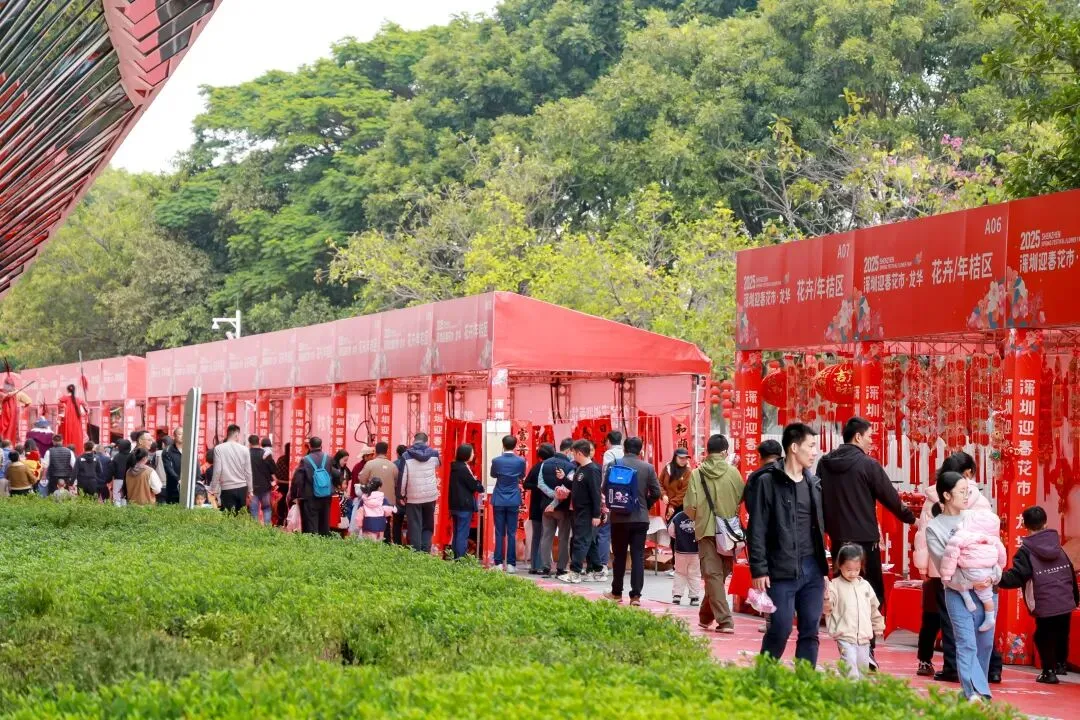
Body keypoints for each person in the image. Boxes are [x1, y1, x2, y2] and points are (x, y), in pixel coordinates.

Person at [818, 416, 915, 668]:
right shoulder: (867, 465)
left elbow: (818, 499)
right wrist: (911, 518)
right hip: (865, 541)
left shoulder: (824, 464)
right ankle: (867, 648)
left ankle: (847, 648)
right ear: (858, 436)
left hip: (839, 540)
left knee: (842, 593)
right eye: (870, 436)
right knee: (869, 593)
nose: (872, 441)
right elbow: (890, 497)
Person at [914, 452, 1003, 684]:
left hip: (946, 570)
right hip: (976, 570)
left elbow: (923, 534)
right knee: (980, 620)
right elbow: (992, 535)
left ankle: (956, 667)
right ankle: (990, 670)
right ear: (968, 472)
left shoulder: (934, 497)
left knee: (954, 621)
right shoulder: (980, 500)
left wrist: (922, 566)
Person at [746, 422, 829, 665]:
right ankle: (763, 677)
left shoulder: (813, 483)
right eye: (810, 446)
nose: (814, 452)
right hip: (781, 569)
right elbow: (757, 528)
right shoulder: (767, 482)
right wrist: (759, 569)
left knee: (810, 630)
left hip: (812, 568)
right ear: (794, 447)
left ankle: (804, 682)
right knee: (780, 628)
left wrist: (825, 569)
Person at [924, 471, 995, 703]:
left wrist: (993, 575)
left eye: (968, 491)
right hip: (957, 592)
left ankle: (976, 691)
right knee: (966, 643)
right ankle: (975, 692)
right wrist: (971, 581)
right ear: (946, 495)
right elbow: (944, 567)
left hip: (986, 590)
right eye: (962, 492)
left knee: (985, 644)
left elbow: (993, 547)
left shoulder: (975, 517)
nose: (967, 496)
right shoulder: (934, 528)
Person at [997, 505, 1079, 684]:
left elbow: (1017, 576)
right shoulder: (1058, 546)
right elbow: (1069, 570)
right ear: (1046, 523)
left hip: (1044, 600)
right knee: (1061, 632)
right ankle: (1060, 665)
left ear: (1025, 525)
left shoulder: (1026, 551)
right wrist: (1074, 597)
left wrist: (996, 578)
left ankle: (1049, 672)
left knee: (1043, 636)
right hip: (1065, 598)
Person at [684, 434, 745, 633]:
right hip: (728, 531)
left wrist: (701, 517)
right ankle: (719, 619)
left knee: (713, 576)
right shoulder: (734, 473)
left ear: (708, 451)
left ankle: (713, 618)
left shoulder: (696, 473)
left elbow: (690, 506)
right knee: (717, 576)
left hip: (706, 530)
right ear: (725, 451)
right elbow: (741, 497)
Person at [601, 436, 662, 605]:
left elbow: (605, 489)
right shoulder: (648, 467)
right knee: (638, 556)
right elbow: (656, 492)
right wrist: (645, 505)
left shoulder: (614, 464)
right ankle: (635, 596)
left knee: (619, 556)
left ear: (624, 448)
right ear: (640, 451)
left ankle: (616, 593)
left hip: (618, 518)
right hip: (640, 518)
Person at [939, 508, 1006, 633]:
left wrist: (946, 575)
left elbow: (950, 555)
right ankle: (990, 618)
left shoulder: (961, 535)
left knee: (959, 578)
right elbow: (1002, 555)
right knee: (987, 597)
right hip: (986, 572)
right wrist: (1000, 568)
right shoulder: (994, 539)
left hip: (968, 569)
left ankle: (967, 599)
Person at [743, 439, 784, 634]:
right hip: (786, 536)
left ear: (760, 457)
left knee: (768, 580)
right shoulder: (790, 474)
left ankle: (770, 620)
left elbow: (752, 507)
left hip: (764, 535)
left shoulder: (756, 478)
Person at [827, 544, 885, 680]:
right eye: (848, 570)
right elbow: (828, 606)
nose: (853, 573)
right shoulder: (834, 585)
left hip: (864, 637)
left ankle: (860, 690)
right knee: (849, 664)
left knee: (862, 668)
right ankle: (850, 689)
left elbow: (873, 608)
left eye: (856, 569)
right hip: (844, 635)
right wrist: (825, 598)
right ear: (840, 566)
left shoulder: (865, 586)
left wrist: (878, 625)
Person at [562, 439, 602, 584]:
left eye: (573, 453)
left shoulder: (592, 470)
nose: (572, 456)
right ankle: (598, 570)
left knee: (580, 540)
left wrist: (596, 514)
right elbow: (575, 486)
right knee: (589, 541)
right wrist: (563, 479)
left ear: (579, 453)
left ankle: (575, 572)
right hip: (579, 511)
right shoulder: (580, 469)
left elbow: (596, 493)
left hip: (588, 511)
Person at [288, 436, 341, 536]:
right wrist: (336, 485)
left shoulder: (305, 460)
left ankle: (313, 544)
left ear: (309, 446)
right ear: (321, 445)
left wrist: (294, 495)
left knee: (311, 525)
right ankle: (324, 542)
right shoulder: (328, 458)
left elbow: (297, 480)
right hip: (326, 496)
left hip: (310, 497)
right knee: (324, 524)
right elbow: (337, 474)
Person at [538, 438, 575, 577]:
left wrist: (551, 496)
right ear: (568, 450)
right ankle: (561, 567)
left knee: (546, 536)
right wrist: (557, 497)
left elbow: (540, 483)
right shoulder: (570, 466)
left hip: (546, 506)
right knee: (563, 538)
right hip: (562, 507)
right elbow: (567, 487)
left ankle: (545, 567)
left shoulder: (544, 463)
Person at [399, 432, 441, 553]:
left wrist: (401, 495)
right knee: (428, 525)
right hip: (430, 496)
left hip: (413, 497)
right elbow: (438, 464)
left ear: (414, 440)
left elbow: (403, 478)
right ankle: (425, 550)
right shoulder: (434, 454)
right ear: (426, 441)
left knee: (415, 526)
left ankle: (416, 554)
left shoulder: (406, 455)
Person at [490, 435, 527, 573]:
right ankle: (511, 564)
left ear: (503, 445)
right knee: (512, 532)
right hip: (513, 498)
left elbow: (493, 475)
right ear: (515, 445)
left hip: (499, 498)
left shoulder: (496, 461)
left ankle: (498, 563)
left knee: (499, 532)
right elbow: (522, 476)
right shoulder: (520, 461)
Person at [357, 443, 401, 544]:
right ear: (387, 451)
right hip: (387, 503)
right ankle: (386, 544)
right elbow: (396, 483)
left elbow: (362, 479)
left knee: (370, 528)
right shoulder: (393, 466)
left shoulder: (370, 464)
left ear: (375, 451)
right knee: (386, 526)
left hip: (371, 501)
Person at [523, 443, 557, 573]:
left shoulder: (536, 467)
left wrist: (537, 486)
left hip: (536, 505)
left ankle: (535, 566)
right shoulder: (554, 467)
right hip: (550, 505)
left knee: (537, 535)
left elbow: (526, 484)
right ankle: (543, 565)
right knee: (546, 535)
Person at [449, 443, 484, 559]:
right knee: (462, 533)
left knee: (457, 532)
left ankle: (456, 557)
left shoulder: (455, 466)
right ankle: (460, 558)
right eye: (472, 453)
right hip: (464, 504)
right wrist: (479, 484)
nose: (473, 455)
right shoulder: (463, 468)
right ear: (466, 454)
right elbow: (473, 485)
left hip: (455, 504)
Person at [209, 424, 253, 514]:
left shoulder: (218, 449)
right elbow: (248, 472)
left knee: (228, 517)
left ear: (228, 434)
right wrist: (250, 490)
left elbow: (217, 471)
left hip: (227, 488)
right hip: (242, 488)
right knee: (241, 517)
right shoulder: (245, 449)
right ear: (237, 435)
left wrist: (212, 489)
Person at [666, 507, 701, 606]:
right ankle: (694, 597)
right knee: (695, 574)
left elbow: (670, 530)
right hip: (696, 551)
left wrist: (678, 537)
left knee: (679, 573)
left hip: (680, 550)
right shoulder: (700, 515)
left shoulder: (678, 516)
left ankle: (677, 596)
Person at [249, 434, 276, 524]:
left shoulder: (246, 454)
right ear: (259, 442)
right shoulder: (266, 454)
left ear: (250, 443)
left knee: (254, 510)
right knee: (267, 508)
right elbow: (273, 470)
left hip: (252, 487)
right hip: (265, 487)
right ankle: (267, 528)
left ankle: (255, 530)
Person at [659, 448, 691, 521]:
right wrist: (663, 495)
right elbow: (659, 483)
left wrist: (672, 505)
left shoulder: (688, 471)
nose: (684, 460)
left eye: (686, 458)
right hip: (670, 506)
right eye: (681, 458)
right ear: (675, 457)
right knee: (669, 525)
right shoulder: (667, 468)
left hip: (682, 507)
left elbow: (684, 492)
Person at [58, 384, 86, 449]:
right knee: (76, 437)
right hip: (76, 422)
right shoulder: (79, 399)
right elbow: (85, 410)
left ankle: (65, 451)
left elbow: (60, 407)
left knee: (66, 436)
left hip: (67, 421)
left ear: (67, 390)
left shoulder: (64, 398)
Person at [162, 428, 183, 505]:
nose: (182, 436)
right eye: (180, 434)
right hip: (173, 488)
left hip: (188, 488)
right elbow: (168, 468)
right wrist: (178, 479)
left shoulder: (190, 449)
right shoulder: (167, 451)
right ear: (174, 436)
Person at [109, 439, 131, 506]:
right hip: (129, 479)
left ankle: (117, 510)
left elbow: (112, 469)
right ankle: (124, 509)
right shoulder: (131, 455)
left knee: (117, 497)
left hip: (118, 478)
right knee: (125, 496)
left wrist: (110, 478)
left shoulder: (116, 456)